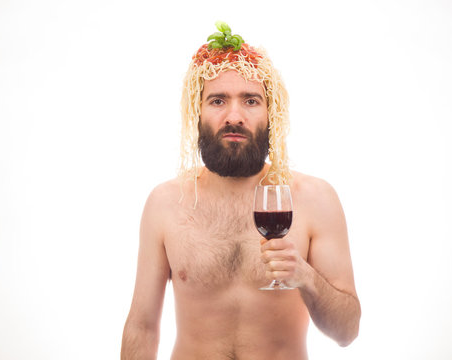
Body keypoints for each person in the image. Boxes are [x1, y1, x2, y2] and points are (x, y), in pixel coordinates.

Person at [121, 22, 361, 360]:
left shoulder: (315, 199)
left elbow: (347, 332)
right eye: (218, 100)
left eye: (251, 100)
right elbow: (142, 326)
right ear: (197, 112)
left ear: (270, 113)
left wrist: (306, 276)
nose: (234, 116)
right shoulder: (165, 203)